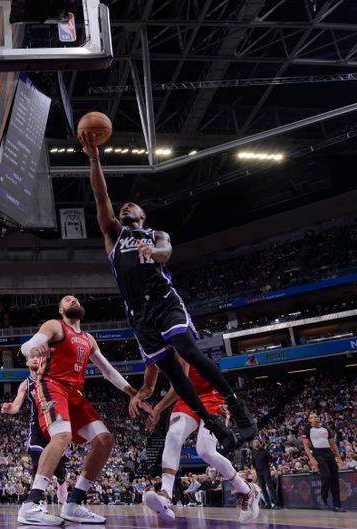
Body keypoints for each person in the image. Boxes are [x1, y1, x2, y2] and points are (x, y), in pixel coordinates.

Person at [78, 132, 257, 452]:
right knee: (174, 374)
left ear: (142, 217)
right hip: (138, 314)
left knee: (187, 349)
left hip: (163, 300)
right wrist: (94, 157)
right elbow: (100, 195)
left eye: (133, 205)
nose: (126, 206)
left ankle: (236, 407)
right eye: (124, 206)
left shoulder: (156, 236)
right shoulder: (112, 236)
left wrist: (149, 249)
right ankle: (213, 423)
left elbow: (164, 254)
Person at [16, 295, 151, 526]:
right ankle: (31, 503)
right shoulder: (54, 326)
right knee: (62, 436)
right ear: (61, 309)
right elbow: (26, 346)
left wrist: (133, 393)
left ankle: (74, 502)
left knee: (105, 440)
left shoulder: (88, 339)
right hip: (51, 384)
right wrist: (33, 348)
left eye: (75, 299)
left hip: (74, 394)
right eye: (67, 300)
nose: (73, 300)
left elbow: (108, 371)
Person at [131, 358, 261, 523]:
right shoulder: (148, 349)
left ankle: (247, 489)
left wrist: (157, 409)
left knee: (205, 450)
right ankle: (165, 495)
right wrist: (136, 396)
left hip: (213, 394)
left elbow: (181, 382)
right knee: (173, 436)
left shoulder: (172, 342)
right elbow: (148, 387)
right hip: (186, 397)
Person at [1, 354, 70, 505]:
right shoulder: (25, 384)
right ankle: (37, 500)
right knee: (37, 461)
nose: (35, 359)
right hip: (38, 424)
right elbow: (16, 406)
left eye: (38, 357)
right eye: (31, 357)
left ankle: (62, 483)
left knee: (59, 469)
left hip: (54, 422)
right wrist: (9, 408)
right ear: (27, 362)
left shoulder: (52, 378)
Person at [302, 413, 346, 512]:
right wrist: (311, 458)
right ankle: (323, 496)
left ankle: (337, 505)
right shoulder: (307, 429)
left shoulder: (325, 428)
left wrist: (339, 458)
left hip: (329, 453)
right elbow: (305, 446)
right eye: (311, 417)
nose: (314, 418)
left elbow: (333, 444)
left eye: (315, 416)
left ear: (318, 418)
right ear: (309, 420)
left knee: (335, 479)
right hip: (318, 453)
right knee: (326, 476)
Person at [251, 438, 281, 509]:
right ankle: (268, 504)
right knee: (263, 488)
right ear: (253, 444)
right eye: (254, 443)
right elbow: (253, 462)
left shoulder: (264, 451)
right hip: (258, 472)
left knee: (270, 487)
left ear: (259, 443)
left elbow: (272, 460)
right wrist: (255, 470)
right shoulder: (253, 452)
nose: (256, 444)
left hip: (265, 470)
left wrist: (276, 468)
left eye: (257, 442)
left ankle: (277, 504)